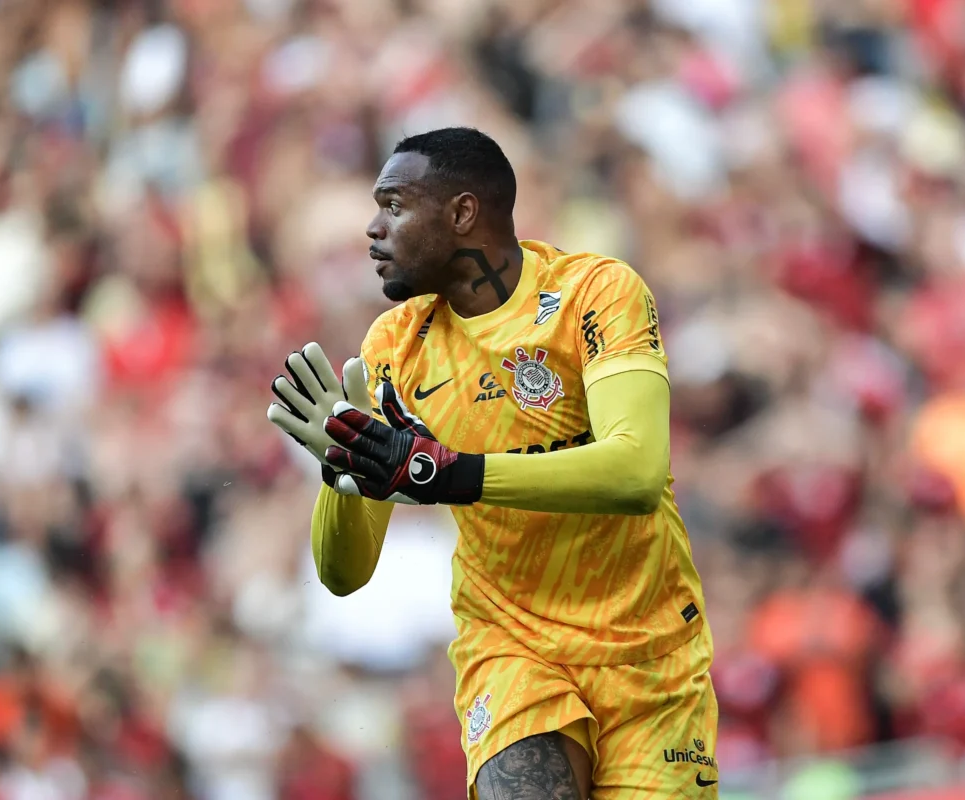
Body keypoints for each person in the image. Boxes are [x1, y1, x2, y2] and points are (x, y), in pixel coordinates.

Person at [267, 127, 718, 799]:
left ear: (462, 213)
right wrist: (344, 466)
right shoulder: (397, 345)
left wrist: (447, 472)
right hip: (514, 648)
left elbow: (636, 473)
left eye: (393, 206)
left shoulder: (595, 293)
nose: (372, 228)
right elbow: (343, 576)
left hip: (648, 656)